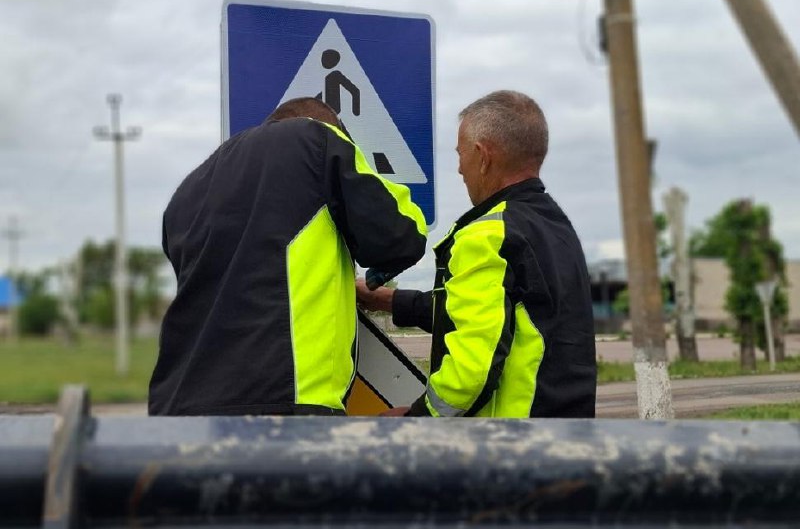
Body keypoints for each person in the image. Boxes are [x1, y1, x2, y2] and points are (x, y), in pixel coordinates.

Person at [150, 97, 427, 416]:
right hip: (283, 405)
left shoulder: (190, 187)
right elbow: (402, 235)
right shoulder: (317, 138)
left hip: (178, 409)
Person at [357, 90, 596, 418]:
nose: (459, 169)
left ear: (483, 157)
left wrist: (417, 421)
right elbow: (493, 315)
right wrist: (387, 300)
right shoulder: (557, 228)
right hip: (566, 438)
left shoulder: (487, 235)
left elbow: (472, 370)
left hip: (506, 450)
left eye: (461, 154)